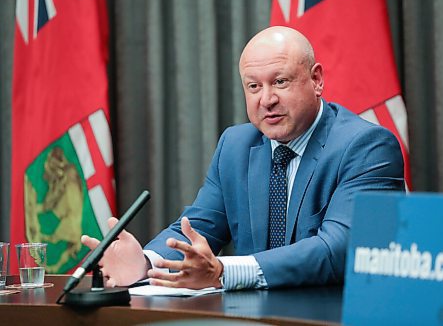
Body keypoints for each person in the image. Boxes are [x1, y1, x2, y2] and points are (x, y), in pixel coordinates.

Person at [82, 26, 405, 290]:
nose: (267, 99)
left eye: (280, 82)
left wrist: (222, 270)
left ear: (316, 80)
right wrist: (147, 263)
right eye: (253, 86)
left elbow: (337, 250)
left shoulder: (366, 146)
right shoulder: (236, 144)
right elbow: (198, 228)